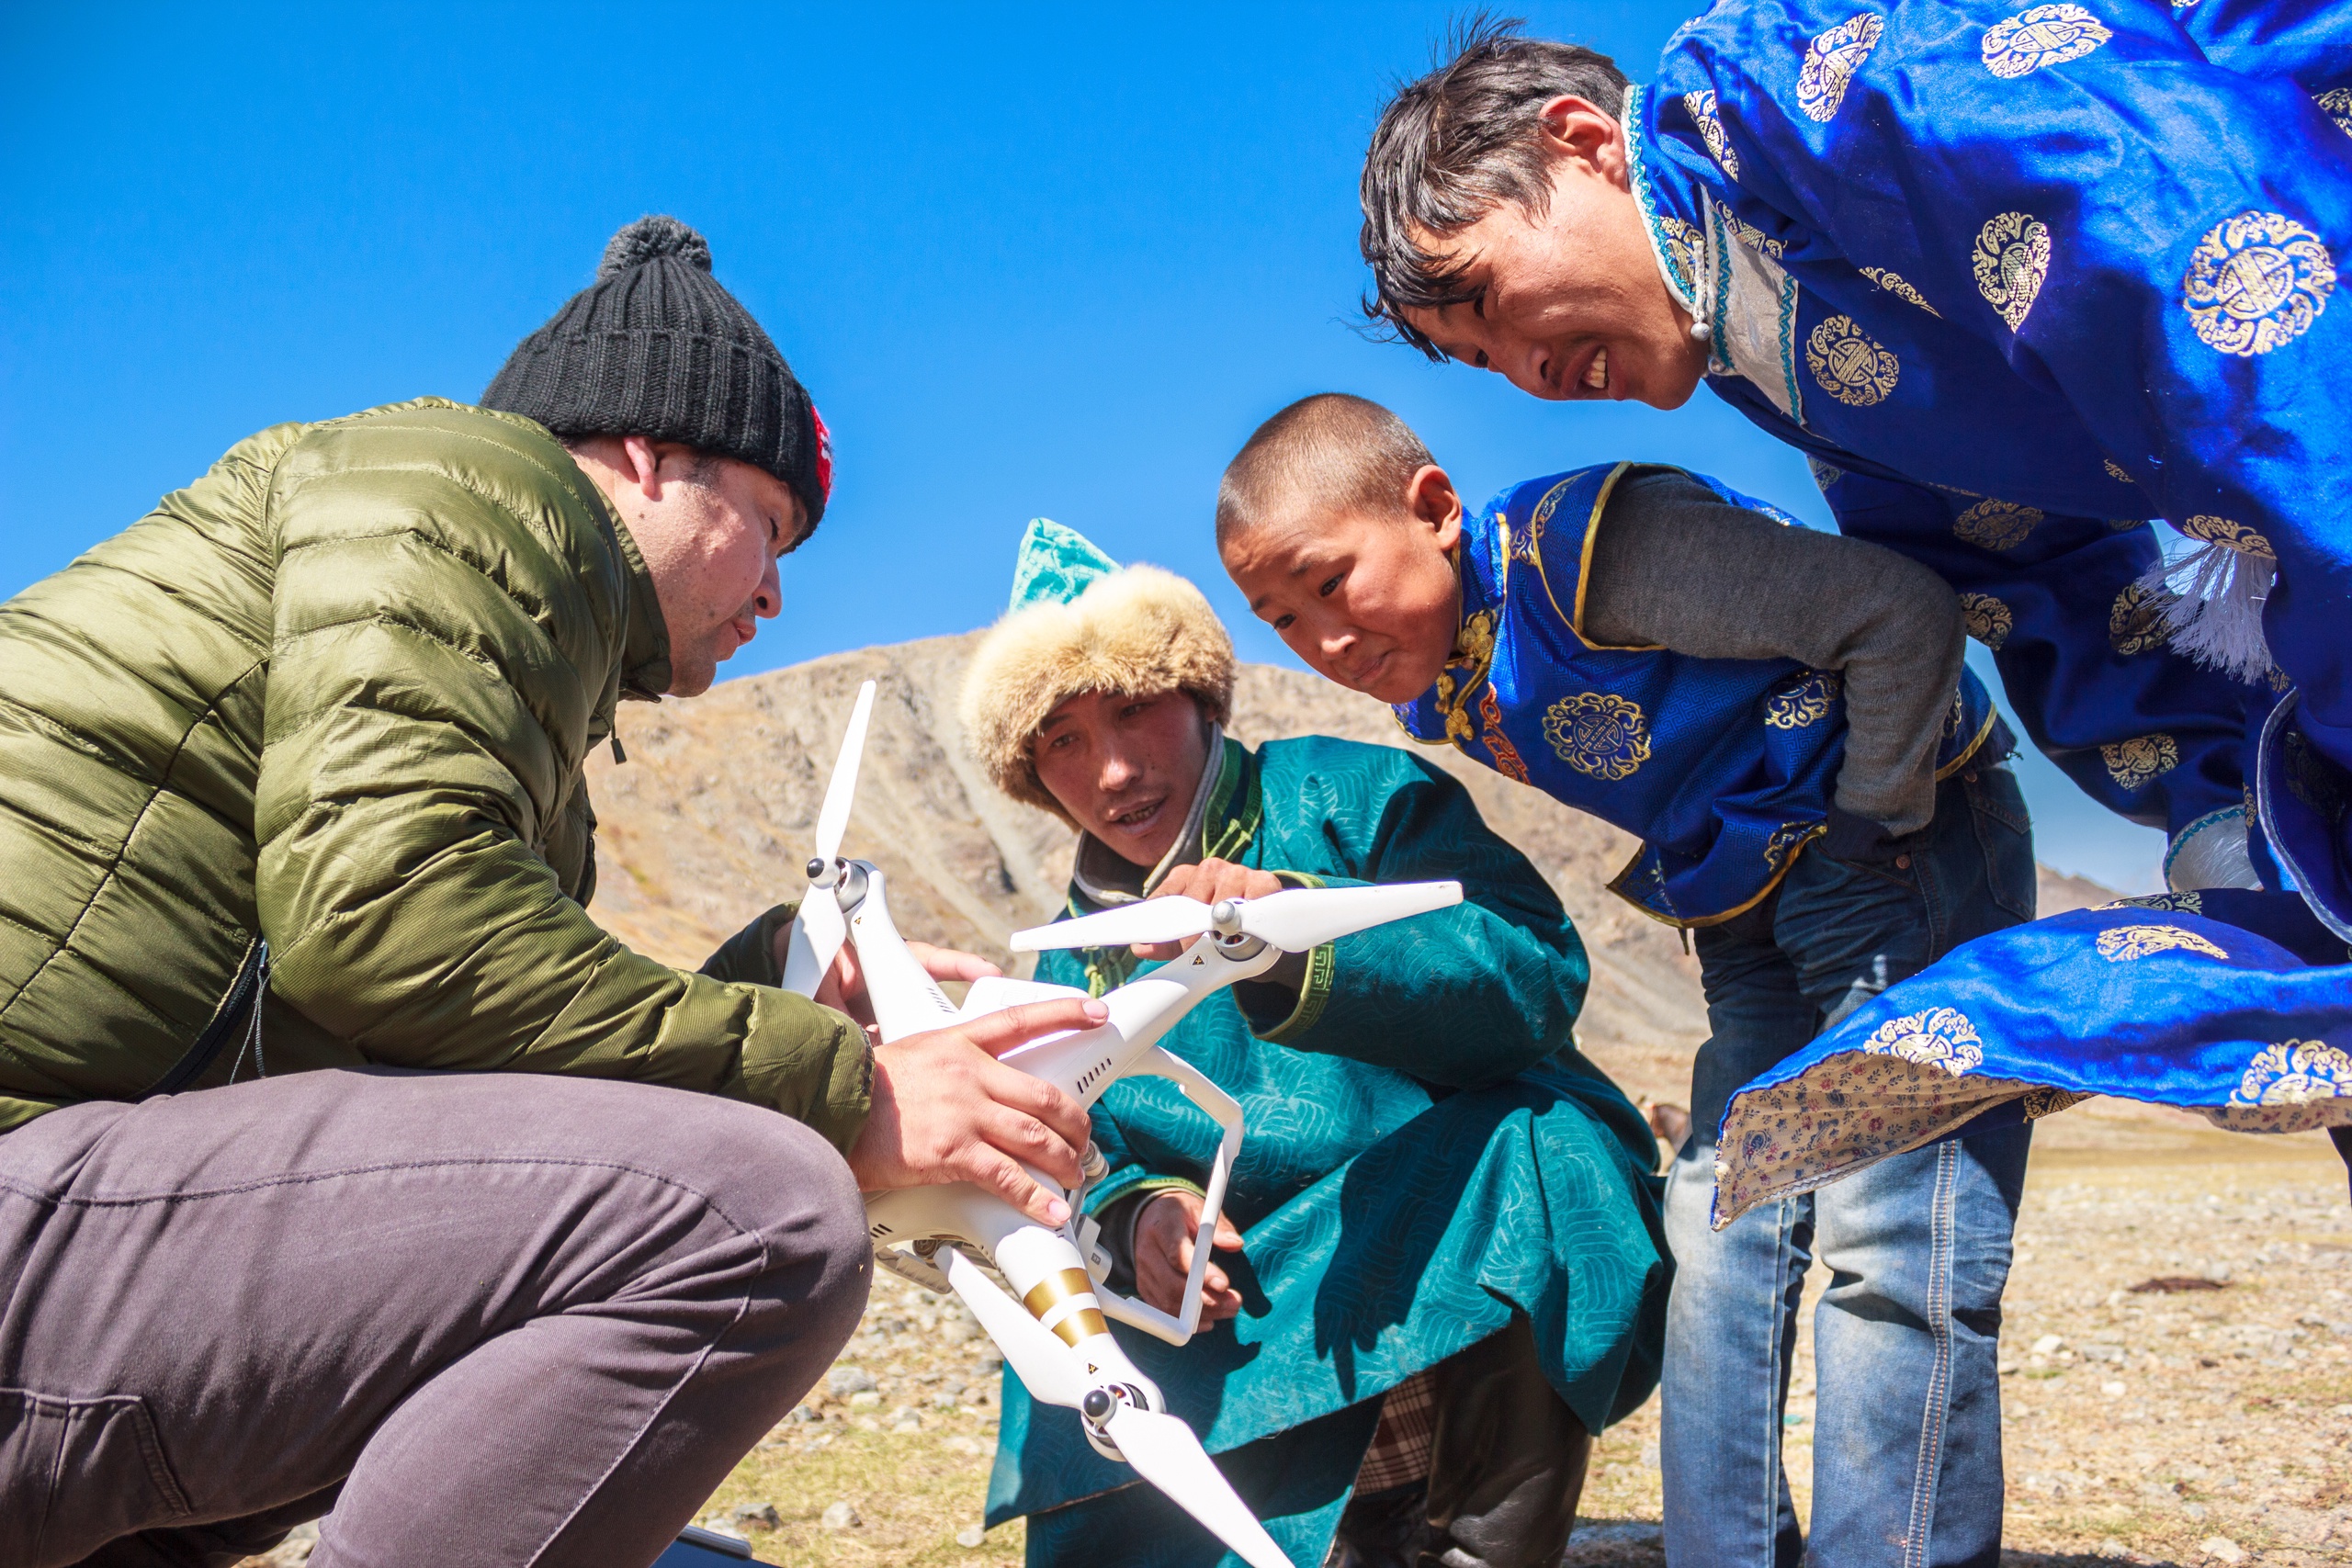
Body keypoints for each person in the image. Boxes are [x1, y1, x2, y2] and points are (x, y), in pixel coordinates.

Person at [0, 217, 1103, 1568]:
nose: (774, 591)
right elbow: (387, 924)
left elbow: (462, 1074)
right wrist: (847, 1088)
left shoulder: (493, 645)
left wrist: (767, 970)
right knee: (756, 1212)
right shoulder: (473, 494)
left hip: (67, 1203)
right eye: (766, 525)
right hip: (27, 1197)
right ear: (646, 453)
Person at [1352, 6, 2352, 1216]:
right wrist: (2231, 813)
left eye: (1491, 298)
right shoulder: (1796, 380)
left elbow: (2171, 212)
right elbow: (2053, 589)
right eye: (1477, 362)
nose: (1526, 372)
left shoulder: (1791, 80)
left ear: (1581, 143)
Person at [1217, 392, 2036, 1568]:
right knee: (1721, 1224)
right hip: (1745, 905)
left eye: (1328, 581)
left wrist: (1871, 828)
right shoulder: (1442, 692)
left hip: (1900, 844)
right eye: (1282, 619)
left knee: (1887, 1230)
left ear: (1435, 509)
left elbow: (1898, 617)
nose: (1323, 640)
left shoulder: (1589, 554)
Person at [957, 519, 1670, 1568]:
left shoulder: (1350, 799)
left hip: (1435, 1239)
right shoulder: (1067, 962)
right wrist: (1137, 1213)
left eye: (1132, 709)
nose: (1111, 771)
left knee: (1547, 1144)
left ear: (1197, 698)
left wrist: (1286, 927)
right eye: (1061, 739)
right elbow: (1070, 1156)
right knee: (1067, 1335)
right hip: (1253, 1310)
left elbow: (1533, 978)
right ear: (1031, 774)